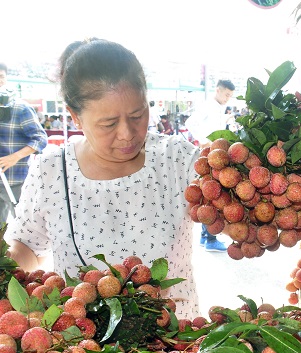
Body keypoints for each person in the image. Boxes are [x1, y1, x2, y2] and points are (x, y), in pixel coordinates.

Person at [5, 39, 200, 319]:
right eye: (108, 124)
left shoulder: (178, 159)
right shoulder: (50, 170)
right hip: (83, 349)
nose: (127, 133)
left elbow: (231, 216)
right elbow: (27, 246)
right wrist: (7, 265)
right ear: (75, 117)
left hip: (178, 344)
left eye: (137, 114)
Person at [186, 79, 236, 252]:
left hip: (217, 157)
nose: (228, 98)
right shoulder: (208, 106)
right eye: (227, 94)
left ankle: (205, 236)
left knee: (210, 194)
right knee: (212, 195)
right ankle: (210, 238)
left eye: (230, 96)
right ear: (218, 90)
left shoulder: (219, 108)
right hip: (209, 157)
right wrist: (203, 141)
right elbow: (190, 123)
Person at [0, 86, 48, 224]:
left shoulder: (20, 109)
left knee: (25, 228)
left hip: (16, 181)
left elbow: (40, 138)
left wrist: (15, 157)